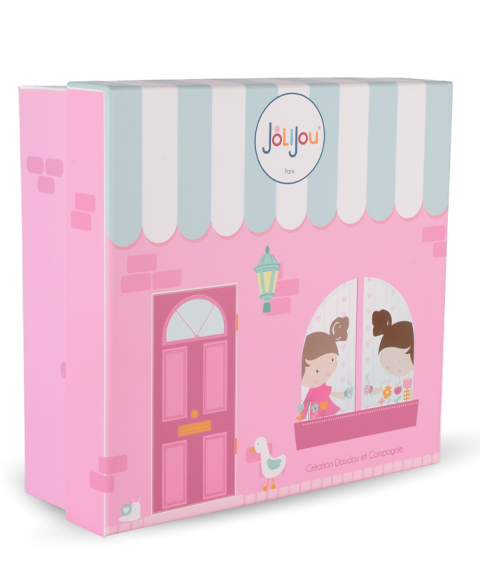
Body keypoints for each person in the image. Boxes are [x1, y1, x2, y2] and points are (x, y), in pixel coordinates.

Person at [298, 317, 349, 421]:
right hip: (316, 415)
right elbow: (306, 404)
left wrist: (343, 394)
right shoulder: (312, 391)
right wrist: (301, 415)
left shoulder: (322, 386)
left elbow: (332, 393)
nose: (326, 371)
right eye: (317, 371)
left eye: (332, 360)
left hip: (328, 412)